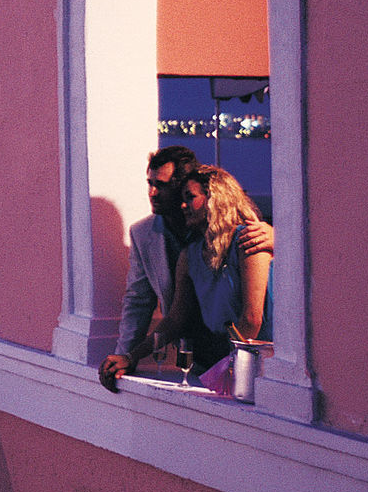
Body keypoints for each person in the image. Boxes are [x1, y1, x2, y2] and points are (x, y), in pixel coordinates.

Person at [99, 148, 272, 391]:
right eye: (149, 183)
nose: (152, 193)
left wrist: (226, 373)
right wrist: (129, 357)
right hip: (205, 362)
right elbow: (167, 316)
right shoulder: (187, 253)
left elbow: (252, 319)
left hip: (254, 366)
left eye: (189, 197)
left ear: (213, 199)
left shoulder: (249, 240)